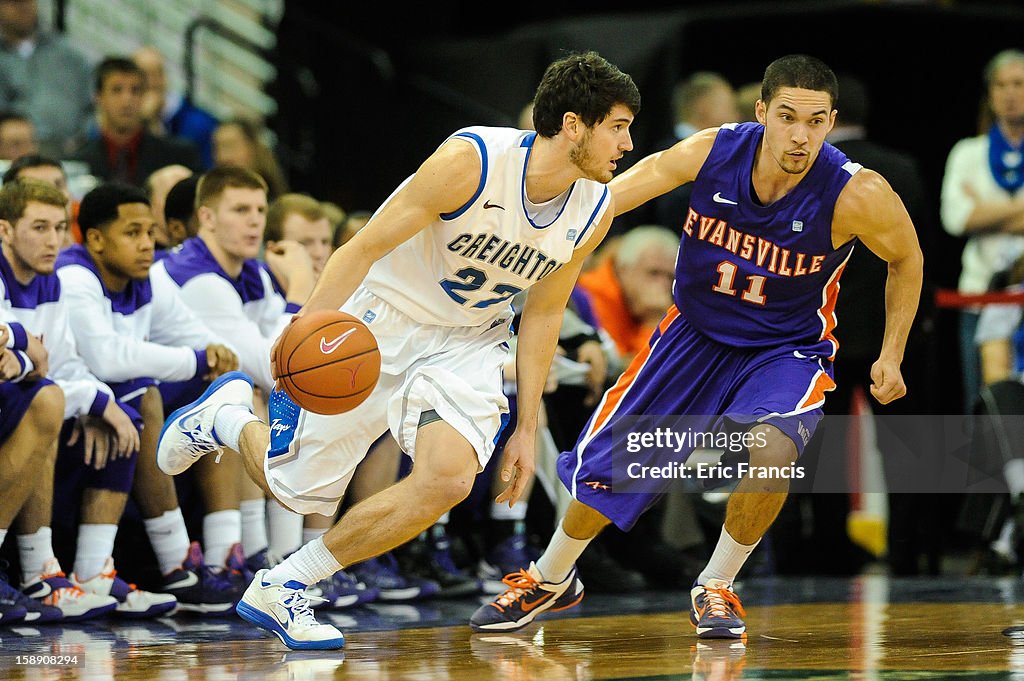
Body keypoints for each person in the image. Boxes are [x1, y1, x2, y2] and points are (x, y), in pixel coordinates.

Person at [156, 49, 641, 650]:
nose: (626, 144)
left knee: (448, 479)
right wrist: (304, 332)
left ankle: (287, 584)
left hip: (470, 339)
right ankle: (227, 415)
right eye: (618, 126)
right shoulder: (472, 161)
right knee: (292, 487)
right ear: (574, 124)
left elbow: (542, 312)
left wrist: (526, 425)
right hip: (384, 321)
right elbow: (360, 249)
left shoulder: (593, 208)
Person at [468, 53, 923, 639]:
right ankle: (552, 578)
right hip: (692, 336)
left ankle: (717, 584)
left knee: (773, 448)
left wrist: (892, 352)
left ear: (831, 121)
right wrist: (542, 232)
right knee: (611, 469)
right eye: (787, 117)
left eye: (815, 121)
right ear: (762, 112)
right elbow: (612, 198)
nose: (800, 134)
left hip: (783, 350)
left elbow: (906, 258)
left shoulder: (857, 192)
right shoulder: (714, 150)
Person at [940, 49, 1024, 414]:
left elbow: (973, 215)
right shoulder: (967, 153)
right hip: (980, 298)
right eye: (1000, 85)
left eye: (1019, 84)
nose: (1009, 93)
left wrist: (986, 212)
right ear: (989, 94)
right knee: (983, 407)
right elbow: (956, 219)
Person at [71, 56, 202, 188]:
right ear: (98, 97)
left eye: (135, 91)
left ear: (144, 96)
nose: (127, 101)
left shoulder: (179, 157)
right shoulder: (78, 163)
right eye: (116, 90)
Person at [0, 0, 94, 156]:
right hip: (12, 156)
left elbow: (94, 106)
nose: (23, 6)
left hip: (72, 151)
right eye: (13, 1)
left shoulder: (70, 56)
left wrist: (81, 140)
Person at [650, 72, 740, 232]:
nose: (737, 116)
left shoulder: (724, 154)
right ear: (704, 108)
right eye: (729, 106)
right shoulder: (666, 153)